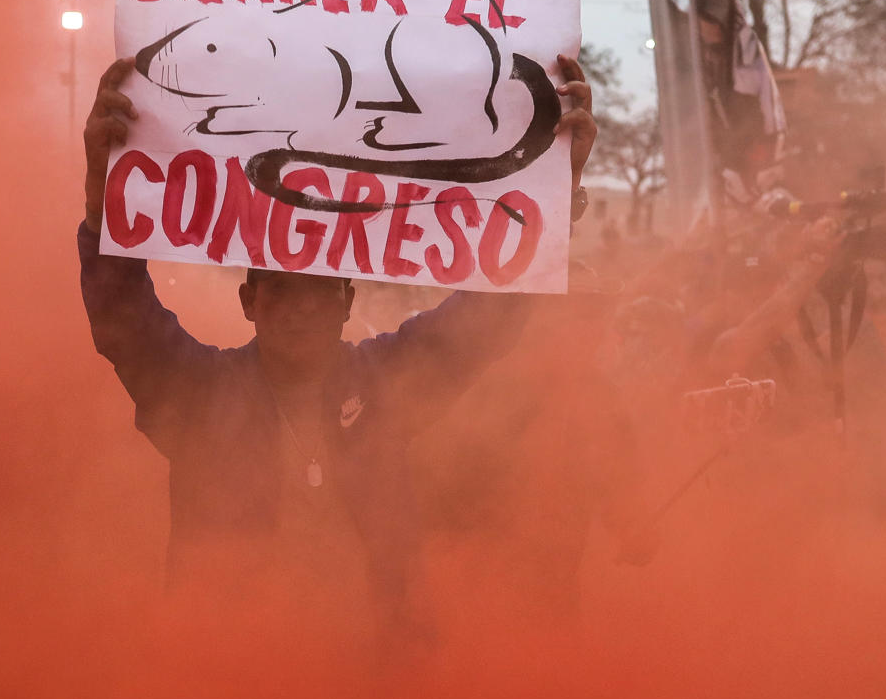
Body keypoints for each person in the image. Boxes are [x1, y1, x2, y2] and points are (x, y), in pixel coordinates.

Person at [78, 54, 597, 630]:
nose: (301, 310)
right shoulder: (201, 393)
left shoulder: (383, 382)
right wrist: (104, 200)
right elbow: (125, 322)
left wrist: (553, 189)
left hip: (371, 677)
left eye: (319, 293)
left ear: (347, 304)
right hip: (228, 677)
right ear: (249, 303)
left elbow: (482, 324)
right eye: (280, 291)